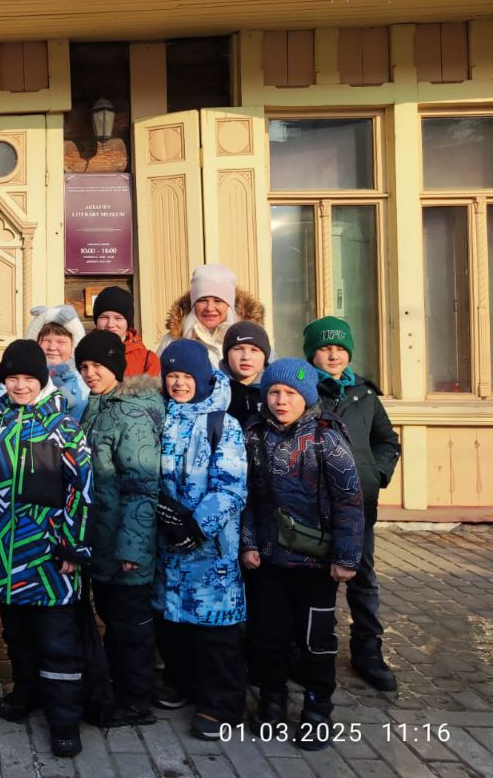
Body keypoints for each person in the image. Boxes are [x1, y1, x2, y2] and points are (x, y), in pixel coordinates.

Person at [240, 358, 364, 751]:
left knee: (317, 639)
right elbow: (246, 498)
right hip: (270, 559)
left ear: (306, 397)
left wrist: (347, 556)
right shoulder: (253, 434)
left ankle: (317, 707)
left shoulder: (326, 436)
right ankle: (273, 701)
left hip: (316, 562)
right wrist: (249, 543)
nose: (280, 400)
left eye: (290, 394)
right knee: (269, 635)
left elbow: (349, 500)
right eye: (274, 392)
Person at [0, 340, 92, 759]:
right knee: (16, 631)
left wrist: (72, 545)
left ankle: (64, 719)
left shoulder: (62, 425)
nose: (20, 386)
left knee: (56, 638)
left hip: (47, 553)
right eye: (13, 378)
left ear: (42, 379)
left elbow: (81, 489)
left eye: (28, 378)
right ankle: (27, 690)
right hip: (5, 548)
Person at [153, 339, 248, 741]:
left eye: (185, 376)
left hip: (210, 550)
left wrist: (196, 526)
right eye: (171, 376)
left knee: (215, 631)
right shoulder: (160, 416)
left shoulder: (222, 424)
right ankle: (180, 683)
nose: (178, 383)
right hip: (167, 544)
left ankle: (221, 704)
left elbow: (232, 487)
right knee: (172, 621)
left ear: (202, 378)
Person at [304, 316, 401, 691]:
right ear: (312, 352)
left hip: (360, 504)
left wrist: (376, 474)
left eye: (340, 349)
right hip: (315, 504)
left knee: (362, 579)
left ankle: (368, 649)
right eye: (325, 348)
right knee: (317, 581)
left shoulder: (364, 394)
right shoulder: (304, 389)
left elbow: (387, 441)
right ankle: (313, 648)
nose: (333, 355)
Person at [73, 329, 163, 727]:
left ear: (116, 367)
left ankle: (136, 702)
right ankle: (116, 690)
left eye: (98, 366)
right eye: (85, 367)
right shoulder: (97, 408)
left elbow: (142, 486)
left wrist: (132, 549)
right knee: (114, 617)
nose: (91, 373)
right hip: (104, 539)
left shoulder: (129, 414)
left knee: (131, 626)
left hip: (126, 545)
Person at [155, 264, 265, 368]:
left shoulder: (252, 339)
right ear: (194, 305)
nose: (210, 308)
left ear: (229, 305)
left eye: (218, 301)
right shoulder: (173, 341)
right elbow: (158, 381)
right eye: (202, 300)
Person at [24, 304, 88, 422]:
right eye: (46, 340)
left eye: (61, 342)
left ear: (73, 346)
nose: (52, 347)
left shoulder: (85, 381)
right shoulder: (20, 376)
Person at [91, 286, 159, 379]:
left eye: (118, 318)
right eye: (104, 317)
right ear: (96, 320)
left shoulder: (147, 359)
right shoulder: (81, 353)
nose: (110, 324)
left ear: (128, 322)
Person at [221, 322, 270, 427]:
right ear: (226, 354)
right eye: (238, 349)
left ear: (265, 356)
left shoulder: (275, 389)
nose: (246, 357)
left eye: (254, 350)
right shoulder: (214, 388)